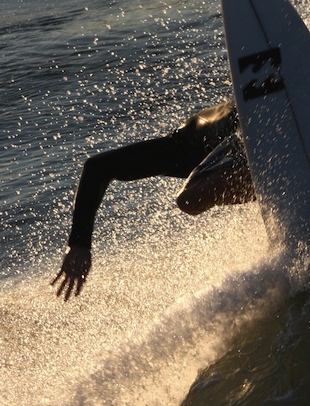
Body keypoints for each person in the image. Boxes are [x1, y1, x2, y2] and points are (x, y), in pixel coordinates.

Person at [51, 100, 256, 300]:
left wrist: (79, 245)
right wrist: (79, 244)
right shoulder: (182, 149)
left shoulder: (191, 148)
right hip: (230, 129)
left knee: (190, 199)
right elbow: (97, 168)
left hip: (249, 112)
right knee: (188, 200)